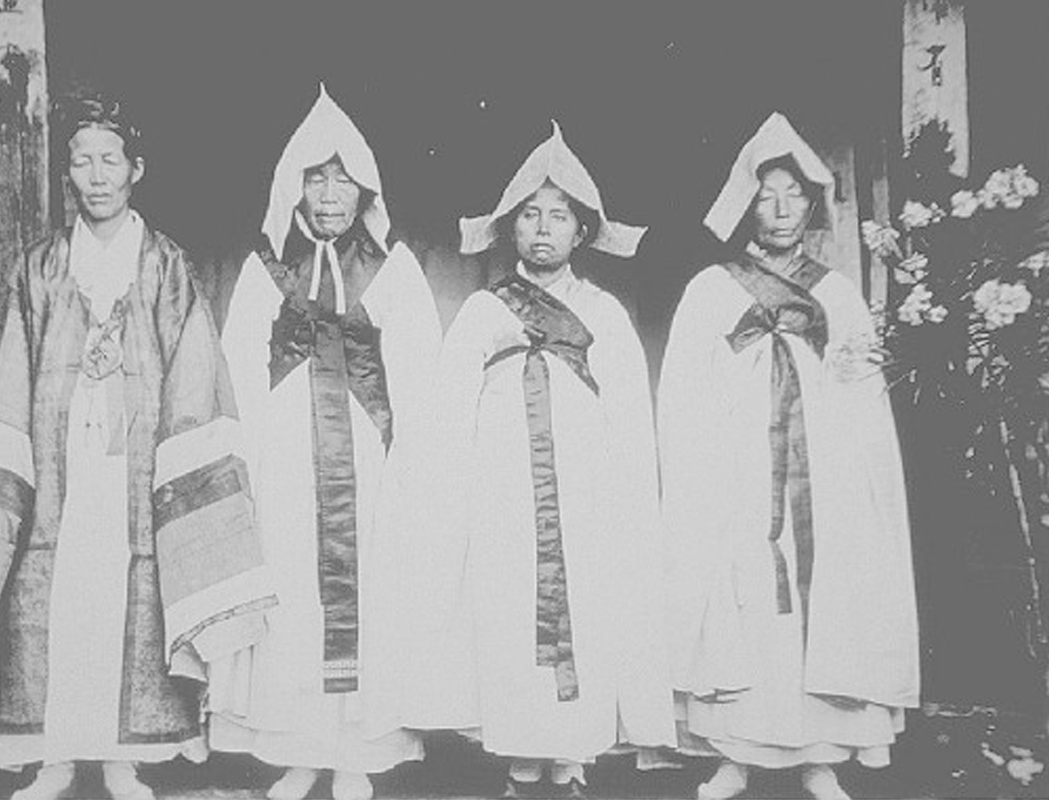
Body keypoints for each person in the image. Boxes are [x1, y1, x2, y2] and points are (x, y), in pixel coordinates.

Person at [0, 92, 274, 800]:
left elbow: (193, 375)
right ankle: (54, 758)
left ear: (137, 170)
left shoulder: (165, 265)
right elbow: (7, 374)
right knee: (51, 604)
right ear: (66, 173)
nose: (97, 176)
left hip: (138, 468)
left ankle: (124, 759)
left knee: (129, 602)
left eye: (110, 161)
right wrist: (24, 456)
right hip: (52, 465)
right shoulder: (38, 268)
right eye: (82, 161)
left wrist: (170, 463)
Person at [658, 112, 919, 800]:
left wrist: (846, 437)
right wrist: (705, 473)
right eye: (767, 193)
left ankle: (820, 756)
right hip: (739, 473)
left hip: (820, 477)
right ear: (746, 201)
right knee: (742, 598)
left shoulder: (835, 293)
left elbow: (865, 398)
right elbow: (683, 395)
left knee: (821, 598)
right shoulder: (711, 289)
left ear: (811, 204)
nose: (780, 209)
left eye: (793, 194)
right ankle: (734, 756)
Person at [411, 121, 676, 796]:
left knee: (585, 610)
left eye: (558, 217)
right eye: (530, 215)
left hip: (584, 496)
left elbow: (628, 422)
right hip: (503, 494)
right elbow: (448, 415)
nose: (543, 229)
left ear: (580, 232)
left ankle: (573, 751)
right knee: (506, 611)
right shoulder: (481, 310)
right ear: (511, 229)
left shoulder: (605, 315)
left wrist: (623, 499)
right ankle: (520, 754)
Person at [210, 85, 441, 800]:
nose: (331, 193)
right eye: (316, 177)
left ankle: (355, 757)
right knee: (293, 596)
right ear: (293, 187)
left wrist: (412, 464)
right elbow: (236, 371)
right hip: (285, 460)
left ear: (364, 188)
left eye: (343, 179)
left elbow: (421, 374)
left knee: (371, 592)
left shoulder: (394, 269)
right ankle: (299, 751)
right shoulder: (262, 271)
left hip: (368, 461)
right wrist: (242, 464)